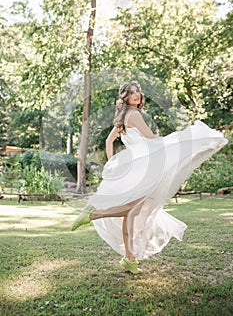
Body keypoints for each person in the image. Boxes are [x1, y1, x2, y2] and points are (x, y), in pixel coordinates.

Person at [71, 82, 228, 274]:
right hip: (141, 167)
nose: (136, 95)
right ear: (125, 97)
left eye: (138, 92)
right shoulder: (134, 115)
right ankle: (93, 215)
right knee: (133, 209)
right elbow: (150, 138)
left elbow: (109, 140)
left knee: (132, 212)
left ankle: (129, 258)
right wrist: (173, 142)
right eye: (132, 93)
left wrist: (113, 162)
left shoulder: (122, 117)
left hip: (132, 165)